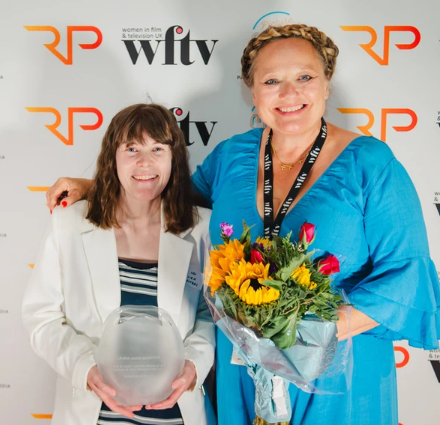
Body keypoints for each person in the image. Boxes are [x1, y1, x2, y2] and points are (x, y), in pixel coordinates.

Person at [45, 24, 440, 425]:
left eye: (304, 77)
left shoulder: (371, 163)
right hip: (243, 372)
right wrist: (94, 186)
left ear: (326, 85)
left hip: (338, 376)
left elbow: (408, 277)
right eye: (272, 81)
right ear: (252, 91)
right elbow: (171, 205)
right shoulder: (231, 156)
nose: (289, 94)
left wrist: (302, 335)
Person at [23, 104, 215, 425]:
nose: (145, 162)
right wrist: (84, 366)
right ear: (112, 156)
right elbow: (40, 316)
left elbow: (210, 314)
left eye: (157, 149)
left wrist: (194, 363)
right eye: (131, 149)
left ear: (174, 159)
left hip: (176, 415)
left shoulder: (202, 229)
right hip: (91, 413)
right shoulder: (68, 223)